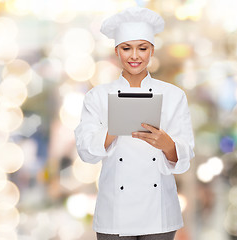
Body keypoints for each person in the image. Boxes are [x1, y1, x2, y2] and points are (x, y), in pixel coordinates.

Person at [74, 6, 195, 240]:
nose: (134, 56)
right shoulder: (97, 96)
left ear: (152, 51)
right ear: (117, 51)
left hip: (159, 213)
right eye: (126, 48)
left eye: (142, 48)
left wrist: (166, 144)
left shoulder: (174, 95)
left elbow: (186, 152)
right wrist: (113, 130)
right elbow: (86, 152)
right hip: (114, 213)